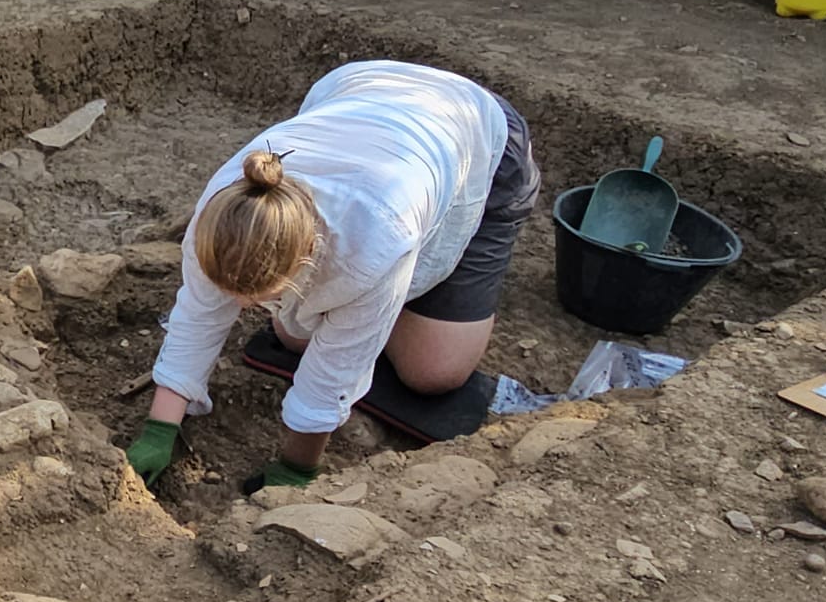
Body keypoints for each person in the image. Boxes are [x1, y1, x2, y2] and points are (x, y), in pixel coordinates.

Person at [125, 60, 540, 493]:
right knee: (295, 337)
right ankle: (370, 310)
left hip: (478, 136)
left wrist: (297, 467)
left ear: (307, 258)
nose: (242, 308)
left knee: (432, 372)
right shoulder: (224, 210)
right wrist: (160, 429)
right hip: (358, 90)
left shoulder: (374, 243)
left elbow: (333, 377)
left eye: (254, 295)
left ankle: (397, 310)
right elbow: (197, 315)